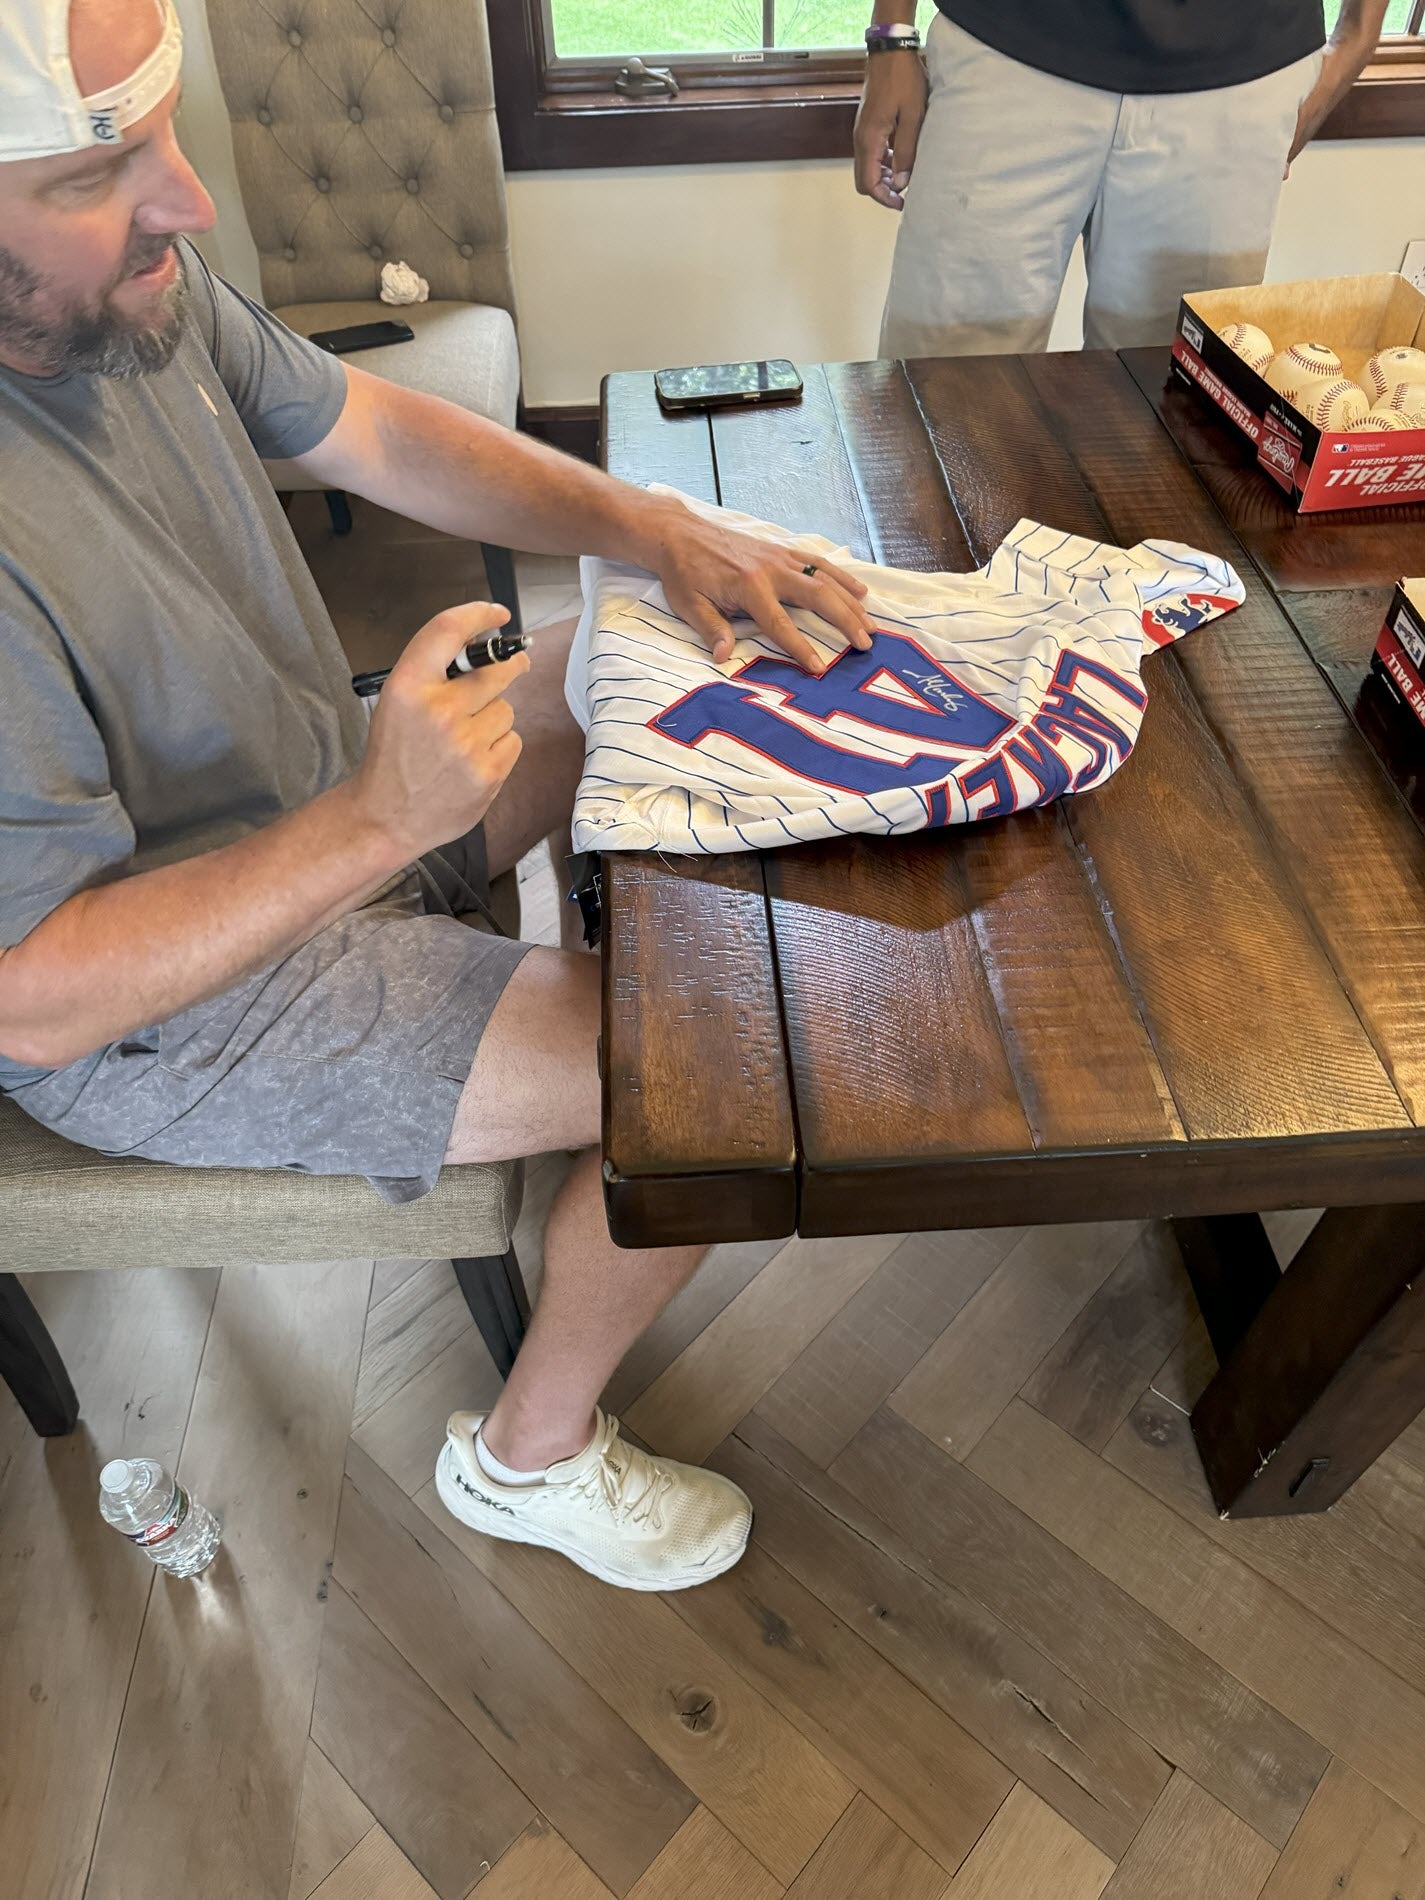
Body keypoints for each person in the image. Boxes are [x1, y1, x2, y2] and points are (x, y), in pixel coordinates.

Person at [0, 0, 877, 1591]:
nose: (188, 199)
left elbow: (375, 426)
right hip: (167, 1011)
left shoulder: (122, 295)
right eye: (95, 172)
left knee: (643, 654)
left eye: (168, 132)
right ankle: (528, 1456)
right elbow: (36, 1002)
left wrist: (655, 528)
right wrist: (375, 825)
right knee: (734, 1075)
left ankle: (566, 1022)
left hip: (323, 793)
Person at [855, 0, 1389, 357]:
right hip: (1007, 45)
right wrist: (891, 30)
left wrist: (1359, 37)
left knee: (1172, 423)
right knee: (941, 402)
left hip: (1242, 68)